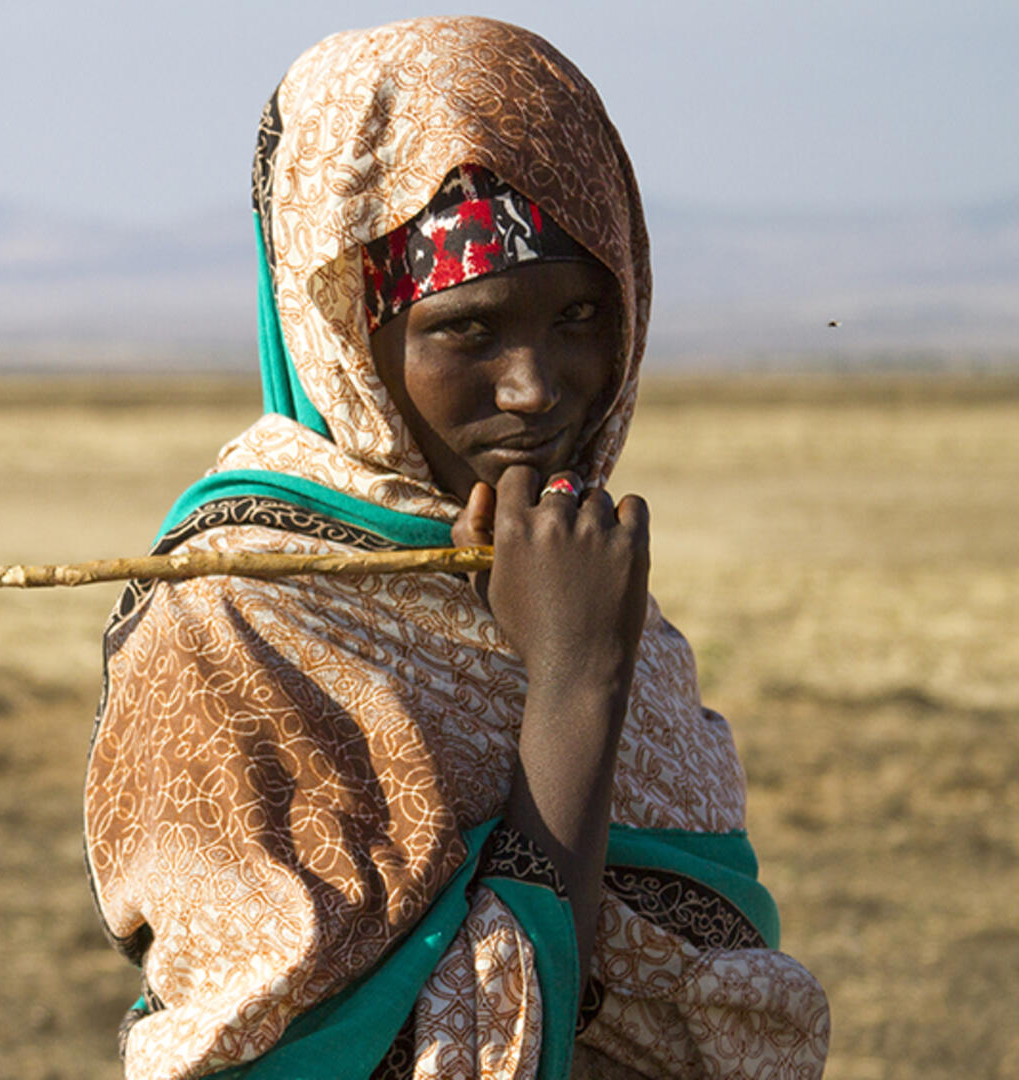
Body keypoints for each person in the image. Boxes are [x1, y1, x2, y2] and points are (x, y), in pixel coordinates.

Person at [83, 17, 831, 1080]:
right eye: (468, 331)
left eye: (578, 315)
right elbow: (299, 1055)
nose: (536, 387)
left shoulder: (579, 572)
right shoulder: (235, 621)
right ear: (344, 327)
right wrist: (573, 689)